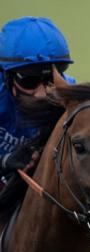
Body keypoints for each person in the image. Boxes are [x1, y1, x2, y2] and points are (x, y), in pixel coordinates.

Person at [0, 16, 74, 187]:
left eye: (51, 80)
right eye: (30, 81)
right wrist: (4, 161)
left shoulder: (69, 98)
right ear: (7, 77)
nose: (42, 94)